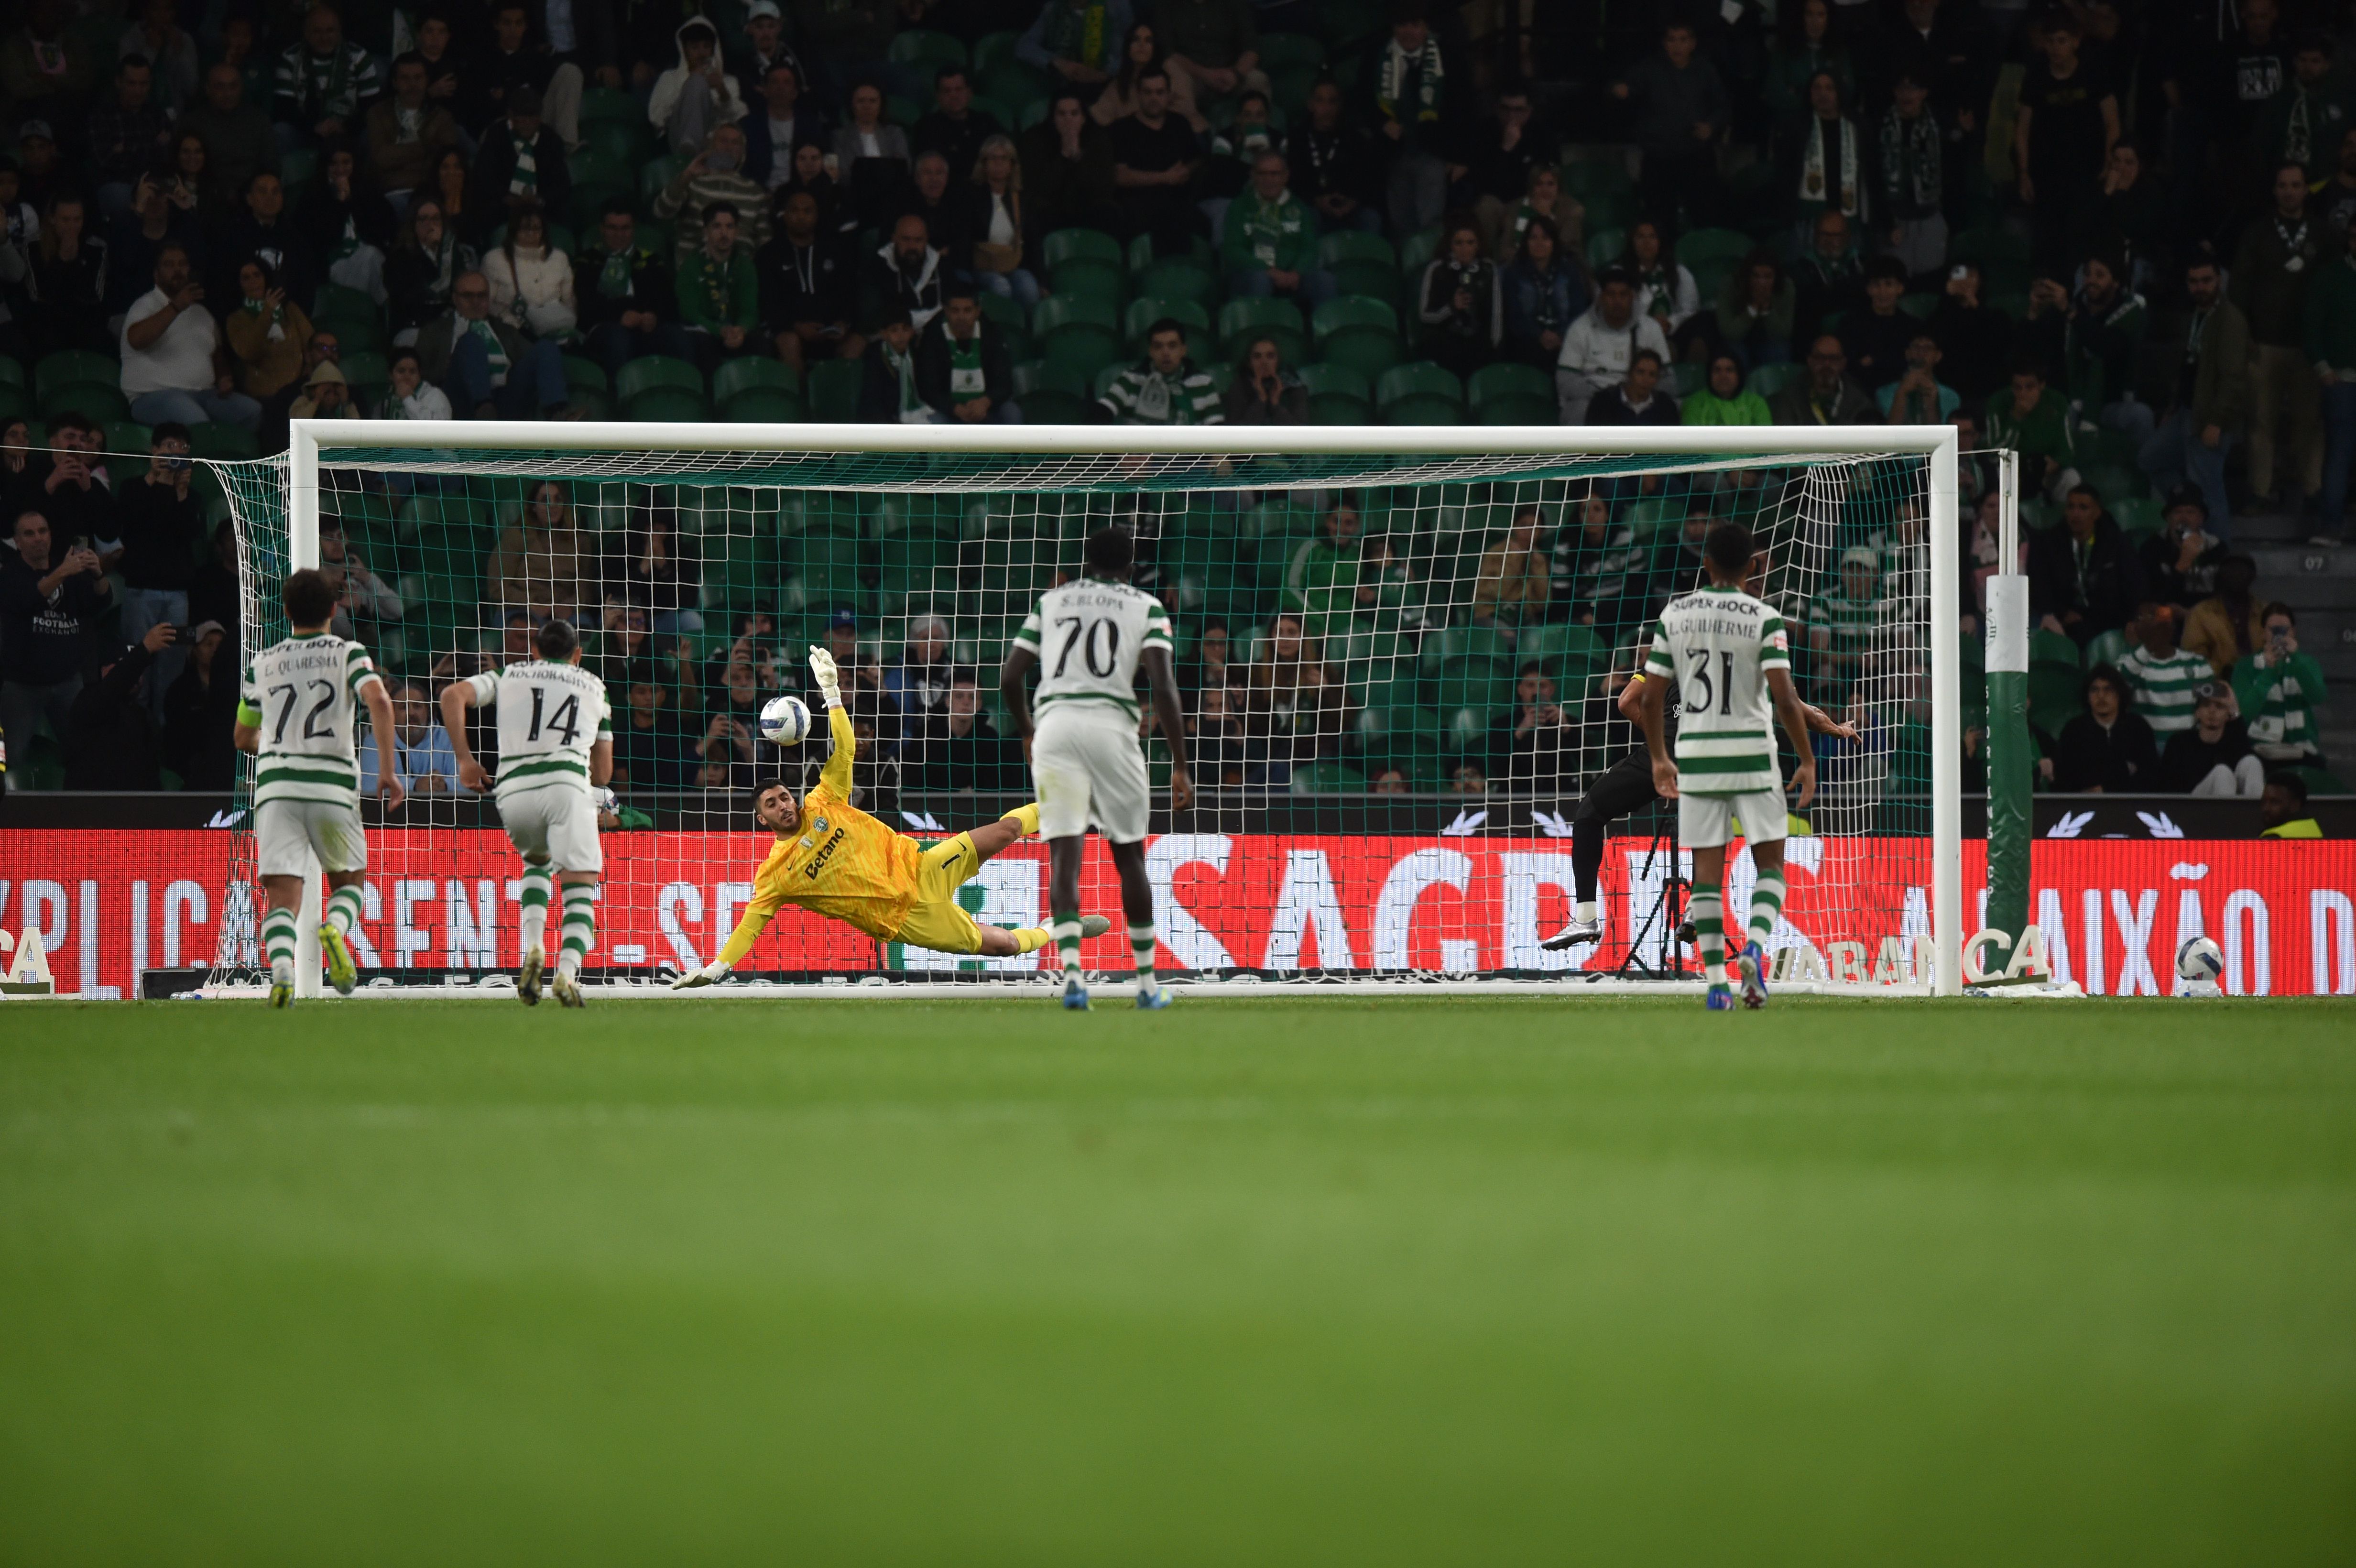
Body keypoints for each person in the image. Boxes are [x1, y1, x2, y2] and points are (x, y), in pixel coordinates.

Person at [673, 645, 1083, 985]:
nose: (783, 805)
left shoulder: (823, 801)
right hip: (907, 918)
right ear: (762, 820)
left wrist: (832, 694)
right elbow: (750, 927)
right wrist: (716, 969)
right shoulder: (777, 874)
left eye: (783, 796)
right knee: (1007, 947)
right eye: (772, 805)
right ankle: (1055, 929)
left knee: (1008, 828)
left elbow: (846, 748)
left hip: (924, 865)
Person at [999, 525, 1191, 1010]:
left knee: (1065, 856)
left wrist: (1027, 729)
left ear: (1085, 562)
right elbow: (1164, 688)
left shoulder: (1053, 602)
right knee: (1129, 857)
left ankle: (1071, 978)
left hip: (1056, 727)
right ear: (1130, 566)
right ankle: (1147, 986)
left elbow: (1009, 674)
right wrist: (1180, 764)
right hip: (1111, 728)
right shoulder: (1145, 607)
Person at [1630, 520, 1816, 1008]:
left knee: (1707, 878)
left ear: (1705, 562)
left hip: (1697, 757)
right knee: (1770, 866)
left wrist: (1658, 759)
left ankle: (1716, 985)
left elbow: (1649, 701)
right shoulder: (1764, 618)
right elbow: (1785, 699)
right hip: (1753, 754)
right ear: (1752, 566)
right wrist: (1807, 759)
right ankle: (1753, 943)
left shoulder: (1674, 615)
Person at [233, 567, 404, 1006]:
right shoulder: (349, 654)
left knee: (282, 896)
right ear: (334, 609)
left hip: (277, 789)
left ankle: (283, 970)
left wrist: (275, 741)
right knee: (349, 884)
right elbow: (380, 701)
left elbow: (241, 737)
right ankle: (335, 927)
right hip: (331, 787)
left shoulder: (262, 664)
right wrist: (387, 769)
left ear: (286, 611)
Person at [440, 617, 612, 1007]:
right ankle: (566, 973)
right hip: (566, 787)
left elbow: (452, 695)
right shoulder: (595, 688)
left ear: (533, 651)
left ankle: (532, 946)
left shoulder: (510, 674)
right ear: (578, 655)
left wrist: (466, 761)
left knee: (537, 860)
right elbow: (602, 774)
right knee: (580, 884)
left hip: (513, 791)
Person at [2231, 164, 2325, 515]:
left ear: (2306, 190)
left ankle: (2311, 488)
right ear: (2274, 191)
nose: (2289, 191)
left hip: (2309, 347)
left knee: (2310, 424)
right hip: (2264, 344)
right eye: (2283, 186)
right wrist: (2244, 336)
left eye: (2296, 185)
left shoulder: (2323, 233)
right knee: (2260, 422)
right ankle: (2261, 491)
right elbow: (2239, 286)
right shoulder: (2257, 233)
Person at [2138, 254, 2247, 534]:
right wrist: (2174, 406)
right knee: (2151, 458)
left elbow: (2233, 379)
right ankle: (2185, 505)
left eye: (2207, 281)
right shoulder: (2198, 315)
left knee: (2209, 492)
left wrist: (2217, 422)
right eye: (2194, 282)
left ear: (2219, 281)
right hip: (2187, 411)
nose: (2201, 287)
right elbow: (2189, 366)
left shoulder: (2230, 320)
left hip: (2210, 417)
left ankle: (2218, 558)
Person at [101, 424, 204, 722]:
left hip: (177, 594)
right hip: (141, 590)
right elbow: (140, 522)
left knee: (172, 671)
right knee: (138, 663)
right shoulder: (134, 488)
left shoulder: (190, 495)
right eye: (169, 446)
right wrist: (157, 480)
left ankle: (164, 734)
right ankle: (135, 727)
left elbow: (189, 533)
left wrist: (181, 492)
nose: (176, 453)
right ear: (154, 451)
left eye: (182, 448)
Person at [1, 507, 113, 765]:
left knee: (84, 753)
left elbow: (102, 601)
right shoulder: (10, 574)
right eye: (29, 534)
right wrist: (63, 572)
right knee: (10, 759)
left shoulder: (71, 571)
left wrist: (97, 573)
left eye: (43, 531)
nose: (38, 538)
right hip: (22, 685)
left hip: (68, 681)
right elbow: (25, 600)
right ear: (17, 542)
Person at [2012, 14, 2117, 273]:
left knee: (2080, 244)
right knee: (2046, 246)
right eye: (2051, 41)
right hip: (2046, 175)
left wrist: (2108, 162)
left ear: (2076, 42)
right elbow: (2022, 130)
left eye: (2062, 41)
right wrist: (2024, 174)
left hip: (2086, 173)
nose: (2056, 48)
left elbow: (2112, 123)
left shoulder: (2093, 72)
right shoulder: (2036, 75)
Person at [120, 242, 262, 430]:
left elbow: (216, 354)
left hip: (206, 394)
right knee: (197, 422)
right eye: (169, 265)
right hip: (153, 395)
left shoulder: (201, 313)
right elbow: (137, 340)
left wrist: (224, 377)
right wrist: (176, 307)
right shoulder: (144, 306)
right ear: (156, 273)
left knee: (252, 411)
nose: (177, 270)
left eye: (183, 264)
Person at [1611, 19, 1727, 229]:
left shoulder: (1705, 70)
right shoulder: (1650, 69)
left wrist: (1710, 127)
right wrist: (1621, 91)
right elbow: (1623, 87)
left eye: (1683, 40)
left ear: (1693, 43)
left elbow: (1722, 107)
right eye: (1672, 40)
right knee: (1659, 223)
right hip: (1659, 159)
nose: (1677, 47)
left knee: (1705, 217)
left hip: (1696, 156)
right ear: (1665, 44)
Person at [416, 271, 570, 420]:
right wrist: (445, 368)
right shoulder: (435, 331)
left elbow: (532, 361)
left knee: (546, 347)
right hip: (460, 398)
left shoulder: (504, 329)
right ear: (455, 299)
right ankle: (483, 408)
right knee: (471, 341)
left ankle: (558, 413)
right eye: (468, 296)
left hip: (505, 398)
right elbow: (417, 374)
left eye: (481, 296)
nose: (476, 302)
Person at [575, 202, 687, 383]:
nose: (619, 235)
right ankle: (619, 403)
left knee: (678, 337)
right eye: (613, 228)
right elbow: (587, 304)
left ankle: (683, 398)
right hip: (605, 327)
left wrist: (653, 315)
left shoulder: (652, 261)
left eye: (625, 228)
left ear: (634, 229)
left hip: (647, 327)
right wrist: (621, 315)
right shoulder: (588, 261)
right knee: (619, 338)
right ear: (602, 229)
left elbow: (668, 301)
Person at [759, 188, 861, 373]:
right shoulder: (769, 254)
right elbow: (768, 302)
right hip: (789, 329)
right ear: (785, 215)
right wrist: (796, 326)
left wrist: (843, 323)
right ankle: (799, 400)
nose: (801, 217)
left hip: (830, 330)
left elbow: (849, 291)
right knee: (789, 342)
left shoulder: (835, 251)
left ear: (817, 215)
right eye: (795, 211)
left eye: (808, 211)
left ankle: (837, 400)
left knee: (857, 343)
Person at [63, 623, 174, 790]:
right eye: (123, 666)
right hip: (90, 807)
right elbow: (113, 687)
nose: (135, 676)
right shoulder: (88, 701)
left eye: (139, 672)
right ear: (104, 670)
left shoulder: (143, 717)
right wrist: (144, 650)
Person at [2029, 485, 2143, 646]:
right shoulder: (2049, 543)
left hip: (2110, 619)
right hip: (2069, 620)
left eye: (2083, 508)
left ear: (2097, 513)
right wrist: (2061, 612)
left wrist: (2132, 618)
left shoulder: (2116, 542)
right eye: (2071, 507)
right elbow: (2040, 586)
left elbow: (2133, 583)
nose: (2076, 514)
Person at [1557, 267, 1670, 424]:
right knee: (1578, 411)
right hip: (1594, 397)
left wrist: (1640, 393)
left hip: (1640, 396)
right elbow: (1566, 381)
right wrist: (1606, 397)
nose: (1617, 301)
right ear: (1602, 297)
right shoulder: (1580, 328)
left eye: (1623, 295)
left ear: (1632, 297)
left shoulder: (1650, 328)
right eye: (1611, 295)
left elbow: (1668, 378)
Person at [1109, 68, 1201, 258]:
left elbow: (1196, 159)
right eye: (1148, 92)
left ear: (1169, 95)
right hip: (1137, 204)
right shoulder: (1121, 129)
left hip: (1178, 201)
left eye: (1160, 92)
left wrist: (1187, 171)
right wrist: (1165, 178)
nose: (1154, 98)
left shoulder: (1180, 124)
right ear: (1139, 94)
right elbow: (1120, 176)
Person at [1222, 151, 1331, 307]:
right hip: (1252, 275)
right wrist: (1269, 271)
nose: (1268, 180)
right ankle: (1258, 329)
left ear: (1286, 176)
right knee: (1260, 279)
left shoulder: (1299, 208)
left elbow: (1310, 248)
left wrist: (1296, 273)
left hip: (1293, 276)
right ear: (1253, 176)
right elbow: (1232, 249)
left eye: (1275, 174)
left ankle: (1323, 330)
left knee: (1324, 280)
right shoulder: (1239, 207)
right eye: (1262, 174)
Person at [2304, 218, 2356, 544]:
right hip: (2343, 380)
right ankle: (2331, 524)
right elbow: (2311, 324)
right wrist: (2322, 366)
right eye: (2354, 236)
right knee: (2339, 452)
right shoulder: (2330, 277)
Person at [654, 122, 771, 263]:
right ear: (710, 147)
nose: (729, 147)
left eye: (735, 143)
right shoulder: (692, 182)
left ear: (742, 152)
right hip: (695, 268)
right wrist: (687, 176)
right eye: (723, 141)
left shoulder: (755, 192)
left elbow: (765, 242)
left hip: (740, 272)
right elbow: (661, 211)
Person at [271, 5, 382, 153]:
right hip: (307, 132)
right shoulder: (291, 59)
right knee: (281, 131)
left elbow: (371, 107)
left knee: (372, 134)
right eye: (317, 31)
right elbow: (284, 109)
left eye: (330, 31)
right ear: (306, 33)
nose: (324, 38)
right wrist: (314, 128)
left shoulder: (359, 58)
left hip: (349, 131)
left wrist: (345, 127)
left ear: (340, 31)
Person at [2232, 603, 2325, 768]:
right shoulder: (2245, 666)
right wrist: (2268, 672)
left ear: (2294, 632)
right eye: (2274, 630)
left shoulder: (2307, 663)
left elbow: (2318, 696)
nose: (2280, 636)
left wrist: (2296, 660)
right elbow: (2243, 713)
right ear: (2263, 633)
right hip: (2260, 750)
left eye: (2285, 630)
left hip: (2302, 749)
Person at [1876, 68, 1947, 282]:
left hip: (1929, 217)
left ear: (1924, 92)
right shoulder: (1879, 126)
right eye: (1902, 88)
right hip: (1894, 220)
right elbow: (1872, 179)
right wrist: (1886, 222)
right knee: (1895, 283)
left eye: (1913, 88)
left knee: (1930, 282)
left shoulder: (1938, 125)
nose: (1907, 94)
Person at [1021, 90, 1119, 244]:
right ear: (1053, 118)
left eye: (1074, 114)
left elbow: (1103, 188)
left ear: (1084, 118)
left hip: (1089, 207)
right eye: (1062, 114)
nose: (1068, 120)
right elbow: (1037, 187)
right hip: (1050, 209)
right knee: (1035, 213)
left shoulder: (1098, 139)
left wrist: (1078, 157)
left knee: (1108, 212)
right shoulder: (1035, 139)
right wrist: (1064, 156)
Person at [363, 53, 461, 205]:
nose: (412, 84)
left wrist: (398, 156)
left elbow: (444, 160)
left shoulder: (443, 117)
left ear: (427, 80)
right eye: (405, 79)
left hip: (431, 192)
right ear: (395, 82)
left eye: (418, 78)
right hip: (391, 193)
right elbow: (381, 157)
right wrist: (427, 146)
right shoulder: (378, 113)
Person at [675, 200, 760, 372]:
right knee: (703, 344)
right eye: (717, 227)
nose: (724, 233)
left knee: (760, 344)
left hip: (735, 332)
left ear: (737, 231)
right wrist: (719, 330)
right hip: (705, 331)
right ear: (706, 231)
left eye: (730, 227)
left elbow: (750, 310)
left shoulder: (745, 266)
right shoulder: (692, 265)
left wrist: (741, 330)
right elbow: (689, 312)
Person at [1288, 79, 1379, 239]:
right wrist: (1317, 201)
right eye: (1320, 101)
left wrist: (1351, 202)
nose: (1326, 108)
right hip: (1313, 206)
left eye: (1332, 102)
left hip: (1349, 207)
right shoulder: (1297, 138)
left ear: (1340, 106)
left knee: (1370, 218)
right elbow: (1293, 180)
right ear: (1310, 104)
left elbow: (1367, 179)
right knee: (1309, 216)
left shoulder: (1355, 139)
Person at [916, 288, 1020, 424]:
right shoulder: (932, 337)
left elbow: (1005, 383)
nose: (961, 317)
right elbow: (928, 389)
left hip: (986, 407)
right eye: (955, 311)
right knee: (934, 421)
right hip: (949, 410)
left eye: (967, 310)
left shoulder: (992, 334)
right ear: (946, 311)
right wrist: (955, 408)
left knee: (1012, 412)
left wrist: (985, 402)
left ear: (978, 311)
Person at [182, 62, 276, 211]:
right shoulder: (193, 123)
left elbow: (270, 164)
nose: (228, 93)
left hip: (251, 201)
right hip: (207, 199)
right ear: (207, 89)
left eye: (233, 86)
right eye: (220, 87)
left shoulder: (259, 121)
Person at [2051, 664, 2158, 792]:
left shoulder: (2138, 728)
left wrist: (2108, 789)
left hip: (2131, 805)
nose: (2101, 696)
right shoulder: (2074, 731)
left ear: (2120, 694)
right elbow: (2064, 778)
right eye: (2094, 690)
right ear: (2087, 696)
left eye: (2108, 690)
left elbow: (2151, 776)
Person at [2116, 603, 2213, 740]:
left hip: (2186, 748)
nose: (2153, 623)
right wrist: (2150, 647)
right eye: (2142, 617)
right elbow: (2117, 688)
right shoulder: (2129, 663)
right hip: (2147, 748)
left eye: (2155, 616)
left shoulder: (2197, 664)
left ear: (2172, 626)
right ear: (2135, 627)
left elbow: (2211, 706)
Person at [1099, 318, 1224, 425]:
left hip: (1189, 453)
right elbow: (1101, 413)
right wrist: (1118, 453)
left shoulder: (1204, 383)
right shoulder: (1132, 379)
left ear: (1183, 350)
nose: (1165, 353)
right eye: (1158, 347)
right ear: (1151, 351)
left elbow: (1218, 433)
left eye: (1172, 346)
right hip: (1141, 451)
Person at [649, 19, 747, 155]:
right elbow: (656, 118)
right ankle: (690, 146)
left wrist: (721, 90)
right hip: (677, 143)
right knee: (697, 82)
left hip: (715, 145)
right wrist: (690, 83)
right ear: (685, 50)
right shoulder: (669, 78)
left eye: (706, 47)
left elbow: (737, 118)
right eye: (695, 47)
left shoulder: (728, 81)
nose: (701, 53)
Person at [224, 258, 315, 403]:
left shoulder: (290, 309)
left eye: (257, 275)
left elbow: (311, 342)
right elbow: (249, 352)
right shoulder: (236, 320)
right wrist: (267, 313)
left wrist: (311, 367)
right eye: (246, 278)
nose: (253, 281)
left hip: (298, 391)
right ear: (239, 284)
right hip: (264, 396)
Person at [163, 619, 240, 790]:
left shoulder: (235, 689)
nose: (215, 650)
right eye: (209, 644)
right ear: (195, 651)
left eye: (220, 645)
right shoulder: (179, 690)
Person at [1500, 215, 1583, 372]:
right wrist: (1540, 335)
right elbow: (1514, 316)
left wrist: (1560, 335)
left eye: (1545, 238)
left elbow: (1578, 311)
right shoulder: (1514, 273)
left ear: (1553, 242)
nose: (1539, 243)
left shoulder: (1569, 271)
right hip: (1527, 343)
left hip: (1564, 341)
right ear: (1526, 242)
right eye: (1533, 238)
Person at [1985, 359, 2075, 499]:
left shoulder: (2057, 402)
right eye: (2017, 387)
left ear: (2042, 385)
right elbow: (1994, 455)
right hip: (2015, 471)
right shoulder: (1998, 403)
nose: (2023, 393)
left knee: (2071, 477)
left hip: (2048, 470)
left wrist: (2056, 463)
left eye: (2029, 387)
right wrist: (2016, 418)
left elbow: (2068, 450)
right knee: (2001, 473)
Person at [2156, 681, 2264, 796]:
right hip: (2189, 806)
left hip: (2230, 804)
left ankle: (2258, 813)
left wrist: (2235, 710)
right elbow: (2166, 787)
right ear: (2197, 712)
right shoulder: (2179, 743)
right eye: (2206, 705)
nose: (2212, 711)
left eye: (2219, 706)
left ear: (2228, 714)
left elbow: (2246, 752)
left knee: (2251, 762)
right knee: (2222, 772)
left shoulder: (2233, 742)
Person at [1838, 255, 1913, 392]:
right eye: (1876, 285)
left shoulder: (1911, 326)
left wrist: (1872, 361)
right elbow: (1848, 366)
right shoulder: (1851, 323)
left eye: (1889, 284)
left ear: (1900, 288)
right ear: (1868, 289)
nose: (1882, 292)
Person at [1017, 0, 1132, 87]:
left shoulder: (1116, 6)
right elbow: (1025, 46)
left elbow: (1136, 49)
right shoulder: (1053, 8)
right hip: (1061, 88)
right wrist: (1057, 63)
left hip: (1109, 86)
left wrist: (1106, 74)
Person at [2183, 554, 2266, 675]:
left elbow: (2280, 652)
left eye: (2242, 570)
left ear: (2253, 576)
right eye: (2231, 569)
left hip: (2261, 684)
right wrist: (2222, 670)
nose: (2236, 574)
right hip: (2217, 685)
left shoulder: (2267, 612)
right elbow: (2193, 659)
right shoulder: (2201, 613)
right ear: (2221, 575)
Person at [1769, 335, 1876, 425]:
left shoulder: (1858, 398)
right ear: (1810, 361)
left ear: (1843, 363)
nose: (1826, 365)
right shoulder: (1791, 396)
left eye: (1833, 359)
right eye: (1820, 358)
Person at [866, 213, 945, 332]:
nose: (912, 246)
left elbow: (951, 307)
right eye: (906, 239)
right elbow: (880, 315)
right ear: (894, 239)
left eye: (918, 240)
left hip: (934, 335)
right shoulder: (879, 266)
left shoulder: (940, 264)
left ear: (926, 240)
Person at [1471, 506, 1549, 627]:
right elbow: (1499, 594)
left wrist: (1538, 569)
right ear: (1514, 527)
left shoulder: (1538, 559)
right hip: (1491, 613)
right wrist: (1514, 561)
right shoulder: (1496, 553)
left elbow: (1543, 603)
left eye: (1534, 528)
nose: (1528, 532)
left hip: (1522, 618)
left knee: (1537, 639)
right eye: (1523, 525)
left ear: (1541, 532)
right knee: (1509, 638)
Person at [857, 307, 935, 423]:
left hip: (919, 411)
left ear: (912, 332)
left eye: (905, 329)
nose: (901, 335)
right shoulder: (875, 358)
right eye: (894, 330)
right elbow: (872, 399)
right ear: (884, 334)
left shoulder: (917, 354)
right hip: (887, 418)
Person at [1223, 334, 1308, 424]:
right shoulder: (1239, 387)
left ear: (1278, 361)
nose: (1264, 362)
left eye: (1270, 356)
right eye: (1257, 357)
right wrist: (1261, 400)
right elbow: (1237, 433)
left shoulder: (1295, 388)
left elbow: (1300, 432)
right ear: (1249, 363)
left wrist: (1276, 405)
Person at [1586, 348, 1680, 427]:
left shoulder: (1666, 406)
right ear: (1630, 374)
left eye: (1652, 375)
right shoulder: (1603, 402)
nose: (1646, 379)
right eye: (1640, 372)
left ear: (1657, 379)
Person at [1880, 332, 1958, 423]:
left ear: (1938, 356)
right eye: (1916, 347)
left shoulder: (1950, 396)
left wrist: (1931, 403)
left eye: (1928, 348)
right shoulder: (1885, 392)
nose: (1921, 352)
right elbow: (1888, 432)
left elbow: (1945, 434)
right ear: (1908, 353)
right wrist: (1902, 393)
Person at [378, 347, 454, 420]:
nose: (407, 377)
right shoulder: (386, 398)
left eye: (413, 372)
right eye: (401, 371)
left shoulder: (435, 396)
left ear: (419, 374)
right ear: (391, 375)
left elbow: (438, 430)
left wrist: (408, 399)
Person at [2259, 772, 2322, 838]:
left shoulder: (2273, 838)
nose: (2266, 808)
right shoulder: (2313, 827)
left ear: (2295, 805)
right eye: (2264, 802)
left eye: (2275, 802)